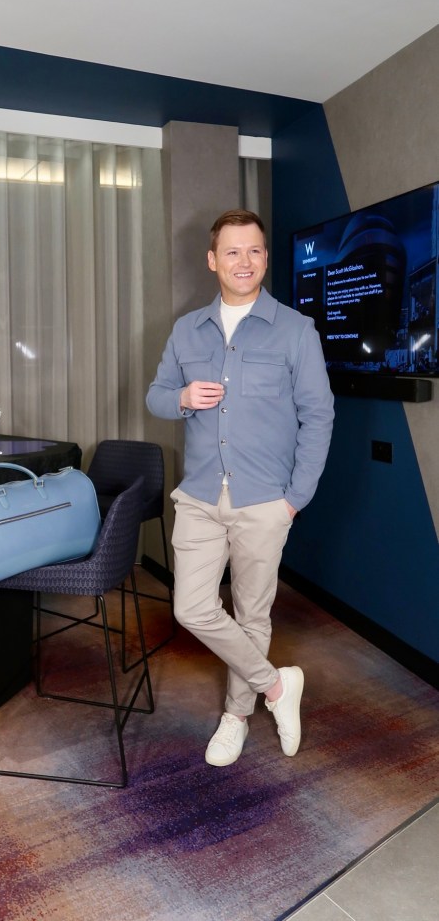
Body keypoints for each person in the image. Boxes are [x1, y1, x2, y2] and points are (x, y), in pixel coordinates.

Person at [146, 209, 334, 766]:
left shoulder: (295, 330)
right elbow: (156, 396)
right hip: (200, 496)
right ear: (213, 260)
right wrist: (182, 398)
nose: (244, 261)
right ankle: (277, 685)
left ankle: (236, 716)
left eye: (254, 250)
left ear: (266, 258)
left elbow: (318, 416)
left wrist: (295, 499)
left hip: (266, 501)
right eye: (232, 251)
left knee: (252, 614)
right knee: (192, 608)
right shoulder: (187, 330)